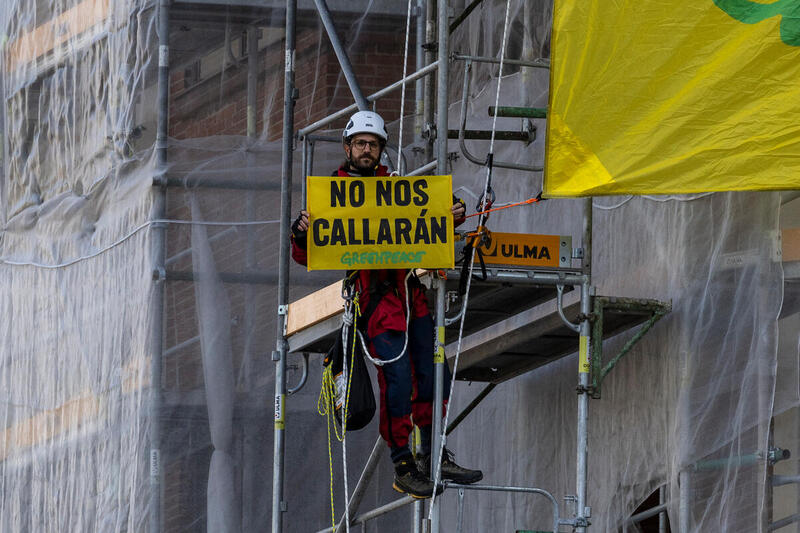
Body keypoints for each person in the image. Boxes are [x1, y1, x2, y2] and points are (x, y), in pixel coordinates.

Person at [290, 111, 483, 499]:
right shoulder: (330, 195)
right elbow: (306, 253)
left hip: (410, 294)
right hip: (375, 299)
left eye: (373, 144)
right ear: (348, 148)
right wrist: (301, 230)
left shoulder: (395, 187)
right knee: (396, 382)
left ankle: (433, 454)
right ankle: (403, 463)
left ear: (380, 150)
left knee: (434, 372)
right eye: (360, 143)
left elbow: (422, 230)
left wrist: (449, 220)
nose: (366, 150)